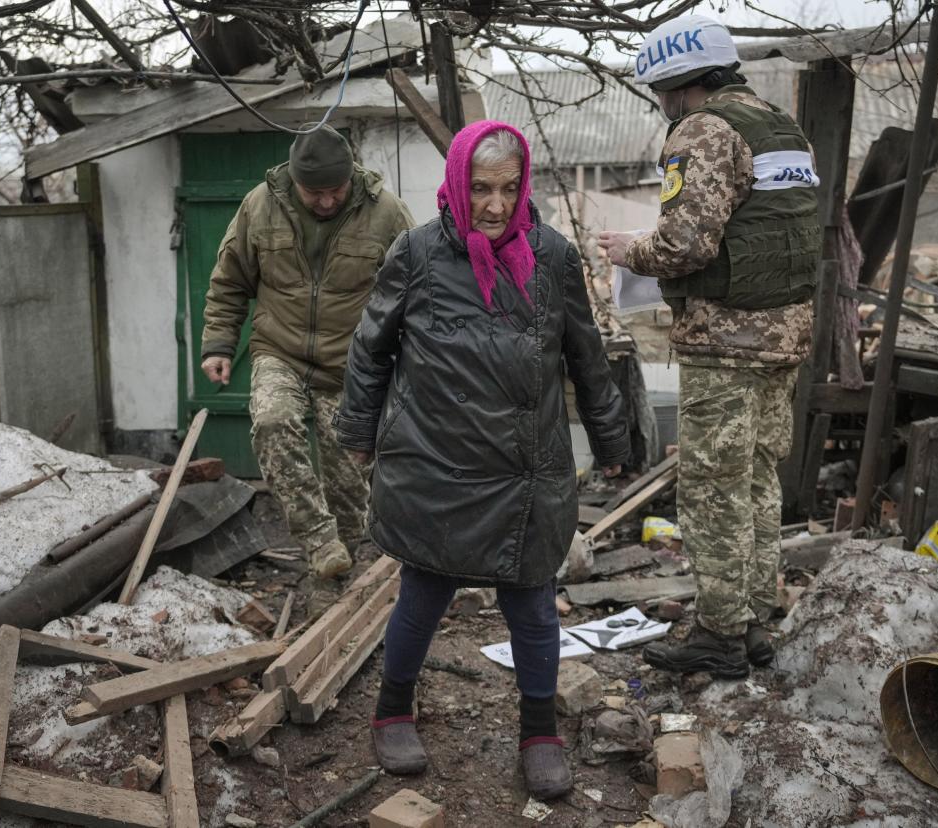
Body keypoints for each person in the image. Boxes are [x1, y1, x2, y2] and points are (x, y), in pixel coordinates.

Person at [333, 121, 629, 799]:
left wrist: (613, 442)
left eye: (508, 187)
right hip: (436, 461)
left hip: (525, 468)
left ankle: (539, 730)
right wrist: (358, 429)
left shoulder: (553, 256)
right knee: (423, 595)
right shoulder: (415, 252)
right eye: (481, 188)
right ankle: (392, 710)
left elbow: (585, 354)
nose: (495, 204)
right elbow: (370, 348)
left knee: (531, 605)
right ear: (458, 186)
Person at [598, 14, 821, 678]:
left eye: (661, 90)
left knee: (712, 490)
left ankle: (720, 635)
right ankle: (751, 619)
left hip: (726, 339)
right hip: (784, 336)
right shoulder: (781, 126)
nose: (662, 103)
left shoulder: (703, 130)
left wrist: (626, 250)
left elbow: (686, 243)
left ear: (677, 83)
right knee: (754, 481)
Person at [201, 125, 414, 579]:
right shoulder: (260, 207)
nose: (325, 201)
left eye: (334, 191)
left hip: (353, 363)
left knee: (348, 481)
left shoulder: (387, 213)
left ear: (350, 176)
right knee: (273, 421)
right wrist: (220, 344)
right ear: (294, 180)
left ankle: (335, 573)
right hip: (280, 349)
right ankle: (318, 540)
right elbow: (230, 281)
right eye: (313, 192)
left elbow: (419, 292)